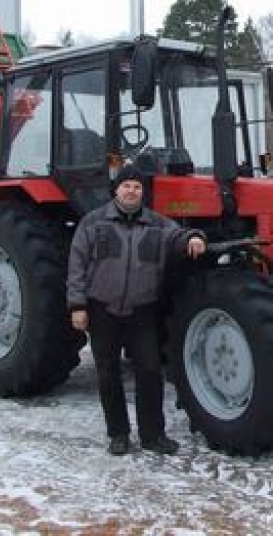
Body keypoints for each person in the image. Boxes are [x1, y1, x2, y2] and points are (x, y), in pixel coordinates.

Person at [67, 164, 207, 455]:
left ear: (143, 192)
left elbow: (179, 235)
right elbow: (77, 266)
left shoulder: (156, 224)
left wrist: (195, 238)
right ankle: (118, 434)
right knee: (108, 375)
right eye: (126, 186)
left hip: (141, 312)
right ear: (115, 190)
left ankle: (153, 435)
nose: (131, 191)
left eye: (137, 187)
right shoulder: (93, 223)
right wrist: (77, 305)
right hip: (102, 309)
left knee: (150, 372)